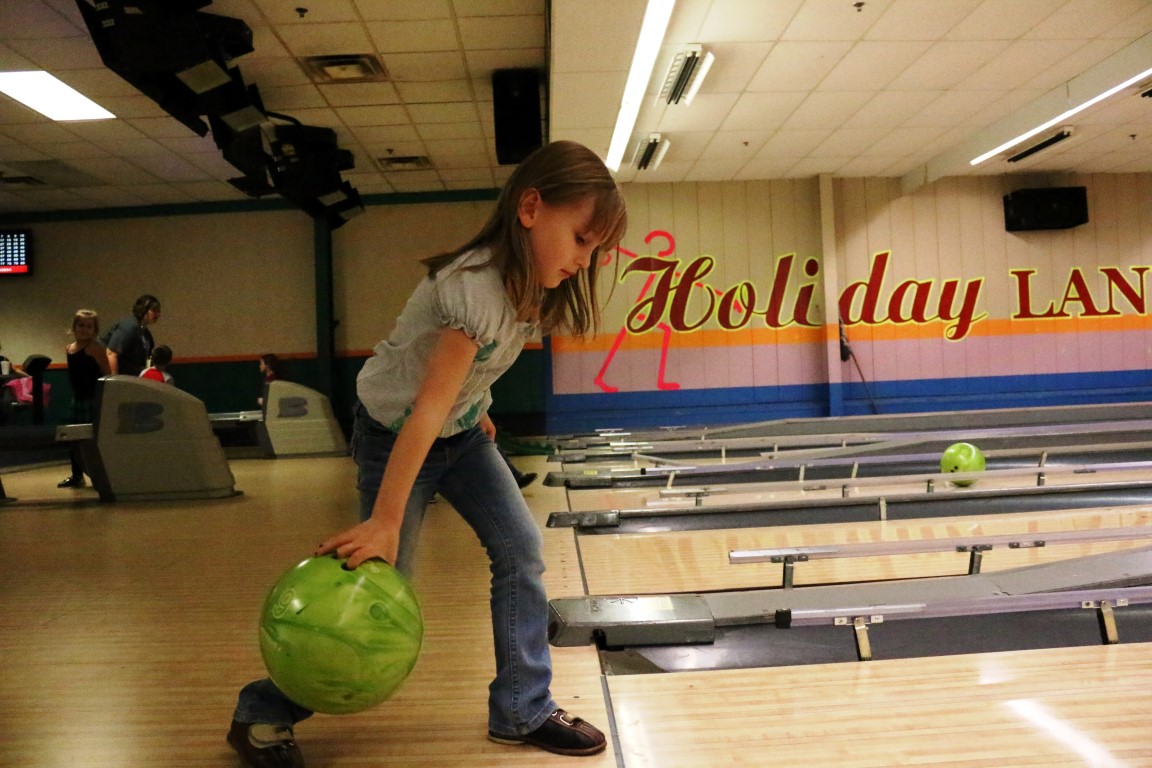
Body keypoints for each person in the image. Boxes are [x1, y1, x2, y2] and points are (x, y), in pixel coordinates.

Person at [226, 140, 628, 768]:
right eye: (580, 239)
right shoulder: (472, 288)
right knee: (376, 588)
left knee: (520, 550)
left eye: (594, 249)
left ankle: (521, 709)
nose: (584, 259)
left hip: (458, 433)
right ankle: (262, 709)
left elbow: (467, 376)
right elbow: (425, 407)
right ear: (530, 208)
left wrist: (479, 404)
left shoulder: (528, 287)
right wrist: (385, 522)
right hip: (397, 434)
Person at [58, 309, 111, 488]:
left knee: (92, 440)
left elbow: (107, 372)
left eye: (89, 326)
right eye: (81, 325)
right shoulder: (69, 348)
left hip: (92, 398)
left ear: (95, 330)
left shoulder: (95, 348)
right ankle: (77, 474)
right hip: (78, 399)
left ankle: (99, 475)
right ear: (74, 327)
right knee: (73, 438)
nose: (84, 329)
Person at [104, 294, 161, 376]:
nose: (158, 314)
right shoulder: (129, 327)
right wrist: (114, 379)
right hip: (121, 378)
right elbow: (111, 353)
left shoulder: (145, 333)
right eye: (154, 310)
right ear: (143, 309)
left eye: (159, 311)